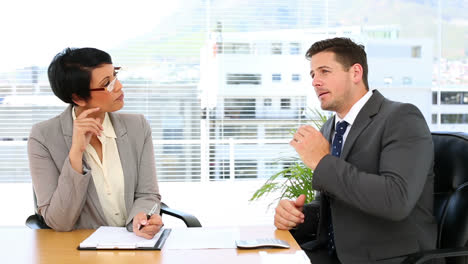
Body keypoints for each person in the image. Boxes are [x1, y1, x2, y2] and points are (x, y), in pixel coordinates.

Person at [274, 38, 438, 263]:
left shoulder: (401, 118)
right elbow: (332, 207)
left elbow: (396, 200)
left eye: (324, 71)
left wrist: (322, 161)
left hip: (390, 258)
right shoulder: (330, 128)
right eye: (312, 75)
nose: (315, 82)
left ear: (356, 73)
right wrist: (297, 216)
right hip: (331, 254)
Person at [28, 47, 163, 239]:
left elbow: (147, 194)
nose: (119, 87)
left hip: (133, 245)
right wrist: (76, 152)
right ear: (78, 97)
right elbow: (59, 222)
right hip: (76, 250)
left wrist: (143, 217)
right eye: (107, 83)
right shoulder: (43, 137)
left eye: (115, 76)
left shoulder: (137, 127)